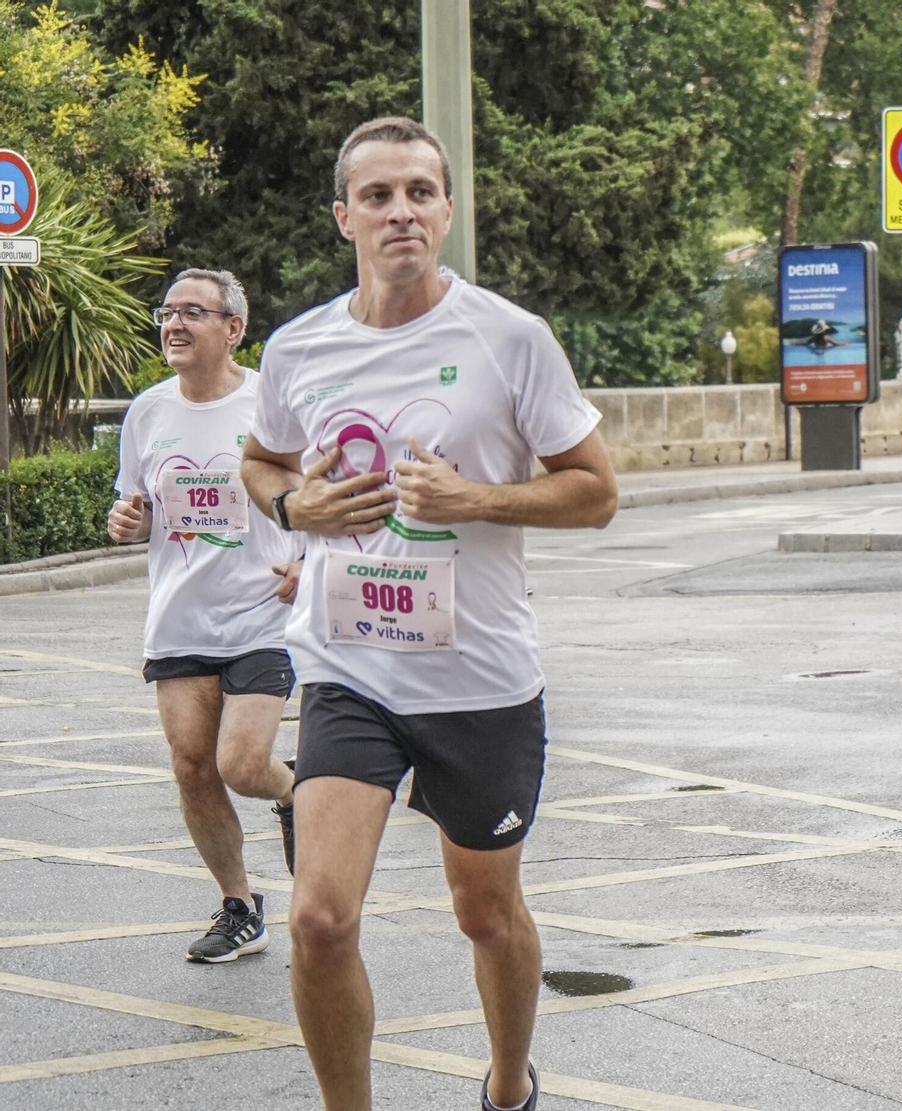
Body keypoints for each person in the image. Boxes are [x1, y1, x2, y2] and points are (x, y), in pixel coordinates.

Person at [241, 116, 618, 1111]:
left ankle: (506, 1083)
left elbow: (595, 491)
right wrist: (292, 506)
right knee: (320, 917)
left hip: (480, 680)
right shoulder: (298, 347)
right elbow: (261, 457)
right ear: (343, 217)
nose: (400, 210)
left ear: (447, 209)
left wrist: (476, 499)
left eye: (418, 191)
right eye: (377, 195)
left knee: (484, 914)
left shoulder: (510, 339)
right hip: (347, 666)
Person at [108, 268, 304, 963]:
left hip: (261, 614)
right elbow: (132, 507)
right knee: (194, 768)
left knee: (243, 762)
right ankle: (238, 905)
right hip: (180, 618)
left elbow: (316, 493)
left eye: (194, 311)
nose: (174, 324)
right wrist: (126, 521)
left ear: (233, 328)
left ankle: (291, 791)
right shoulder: (149, 412)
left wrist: (306, 558)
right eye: (167, 311)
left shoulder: (270, 405)